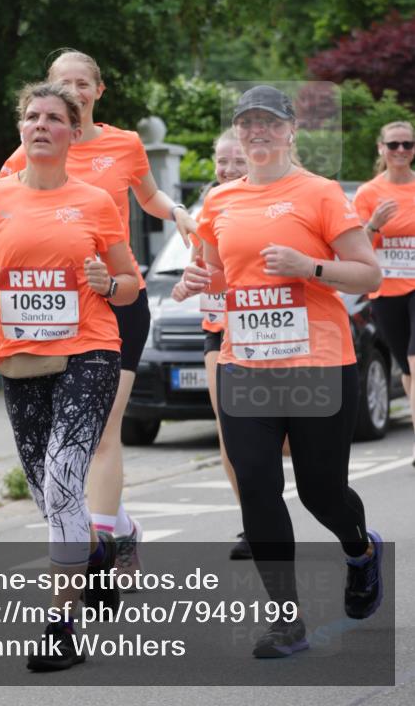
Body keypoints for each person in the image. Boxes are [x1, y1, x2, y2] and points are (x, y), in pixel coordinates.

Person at [174, 84, 383, 659]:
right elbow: (217, 275)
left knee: (320, 492)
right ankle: (285, 620)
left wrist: (309, 266)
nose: (257, 132)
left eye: (269, 122)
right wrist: (196, 283)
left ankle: (360, 551)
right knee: (258, 490)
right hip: (246, 365)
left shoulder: (318, 194)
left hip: (317, 363)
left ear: (292, 130)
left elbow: (369, 276)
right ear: (238, 132)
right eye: (247, 124)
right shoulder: (219, 201)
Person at [0, 80, 139, 672]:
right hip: (22, 358)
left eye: (55, 118)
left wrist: (111, 284)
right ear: (20, 128)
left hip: (91, 351)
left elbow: (129, 283)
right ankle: (101, 549)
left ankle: (61, 626)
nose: (42, 126)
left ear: (73, 132)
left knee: (61, 480)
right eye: (32, 116)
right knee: (46, 493)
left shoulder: (97, 202)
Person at [0, 49, 196, 580]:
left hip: (115, 299)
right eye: (65, 82)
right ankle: (118, 527)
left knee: (107, 427)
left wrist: (178, 211)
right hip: (50, 316)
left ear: (98, 91)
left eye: (84, 83)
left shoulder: (124, 144)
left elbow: (149, 195)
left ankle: (101, 546)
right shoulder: (27, 153)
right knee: (58, 450)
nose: (76, 90)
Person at [173, 129, 251, 558]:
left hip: (262, 330)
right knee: (229, 427)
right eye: (222, 161)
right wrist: (187, 285)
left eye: (237, 160)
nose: (228, 169)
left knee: (278, 432)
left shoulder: (268, 203)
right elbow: (197, 267)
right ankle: (253, 522)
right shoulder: (209, 209)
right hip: (218, 327)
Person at [354, 121, 415, 462]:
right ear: (381, 149)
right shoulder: (368, 194)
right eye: (394, 145)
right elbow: (357, 248)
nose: (401, 151)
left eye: (408, 144)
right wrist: (374, 223)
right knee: (407, 370)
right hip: (387, 290)